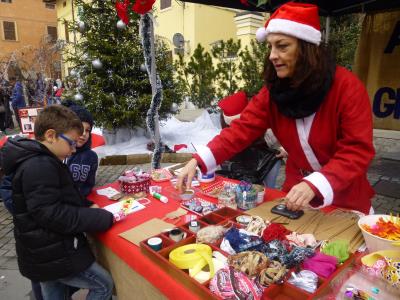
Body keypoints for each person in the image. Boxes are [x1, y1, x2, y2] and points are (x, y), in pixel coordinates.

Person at [177, 2, 375, 214]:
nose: (272, 55)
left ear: (307, 49)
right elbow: (240, 131)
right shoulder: (273, 92)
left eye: (282, 46)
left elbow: (357, 150)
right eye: (270, 46)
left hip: (344, 194)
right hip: (295, 194)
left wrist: (316, 184)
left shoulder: (347, 87)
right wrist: (198, 160)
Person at [0, 105, 114, 300]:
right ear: (51, 135)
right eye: (70, 143)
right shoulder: (39, 165)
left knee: (54, 294)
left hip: (42, 252)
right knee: (104, 285)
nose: (72, 149)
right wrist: (99, 217)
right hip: (53, 253)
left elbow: (59, 197)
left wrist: (85, 205)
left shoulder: (41, 160)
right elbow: (52, 214)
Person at [215, 91, 286, 188]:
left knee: (274, 163)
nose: (240, 131)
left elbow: (292, 141)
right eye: (233, 127)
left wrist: (285, 150)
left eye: (243, 126)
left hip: (263, 175)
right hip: (236, 182)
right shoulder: (226, 137)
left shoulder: (269, 133)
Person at [63, 100, 98, 198]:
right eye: (80, 128)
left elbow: (89, 184)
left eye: (87, 130)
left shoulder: (91, 157)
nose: (83, 134)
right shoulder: (58, 154)